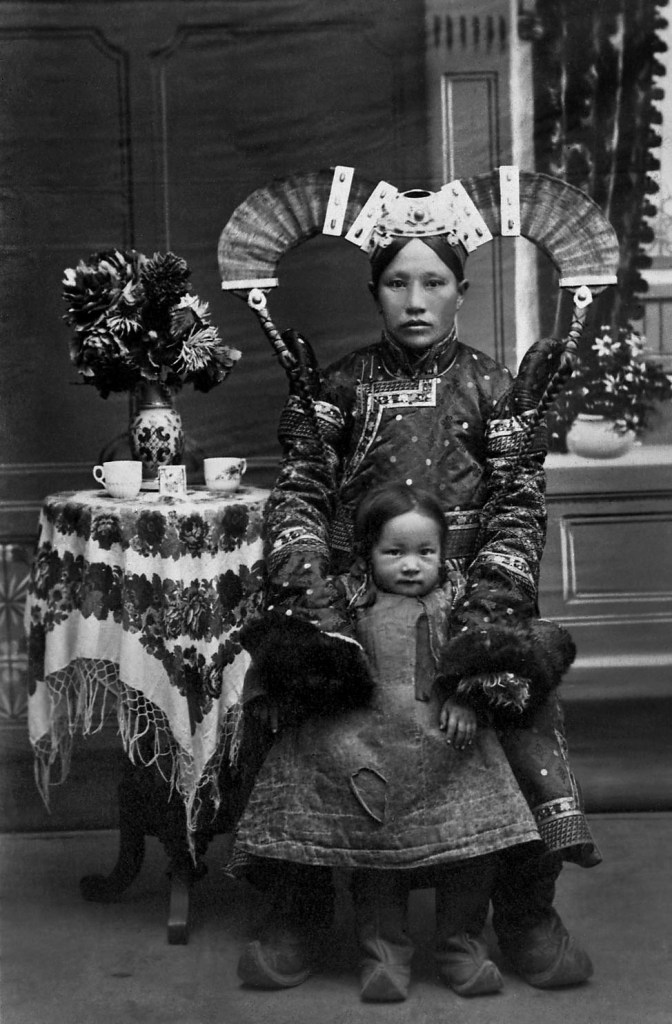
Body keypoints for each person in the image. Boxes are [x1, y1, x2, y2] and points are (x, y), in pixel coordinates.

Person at [233, 184, 600, 994]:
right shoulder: (337, 389)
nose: (416, 300)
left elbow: (517, 509)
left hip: (468, 599)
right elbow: (297, 496)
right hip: (355, 602)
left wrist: (479, 633)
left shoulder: (496, 390)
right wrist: (323, 617)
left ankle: (526, 913)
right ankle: (296, 905)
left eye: (434, 282)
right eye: (398, 282)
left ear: (462, 291)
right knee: (286, 707)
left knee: (523, 710)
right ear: (374, 292)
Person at [234, 480, 543, 1001]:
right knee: (375, 855)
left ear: (444, 555)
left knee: (473, 849)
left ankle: (461, 947)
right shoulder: (349, 604)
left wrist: (469, 695)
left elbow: (495, 657)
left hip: (453, 749)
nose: (410, 565)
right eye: (393, 552)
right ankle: (384, 956)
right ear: (367, 553)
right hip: (372, 748)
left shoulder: (460, 605)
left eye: (426, 553)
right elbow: (300, 650)